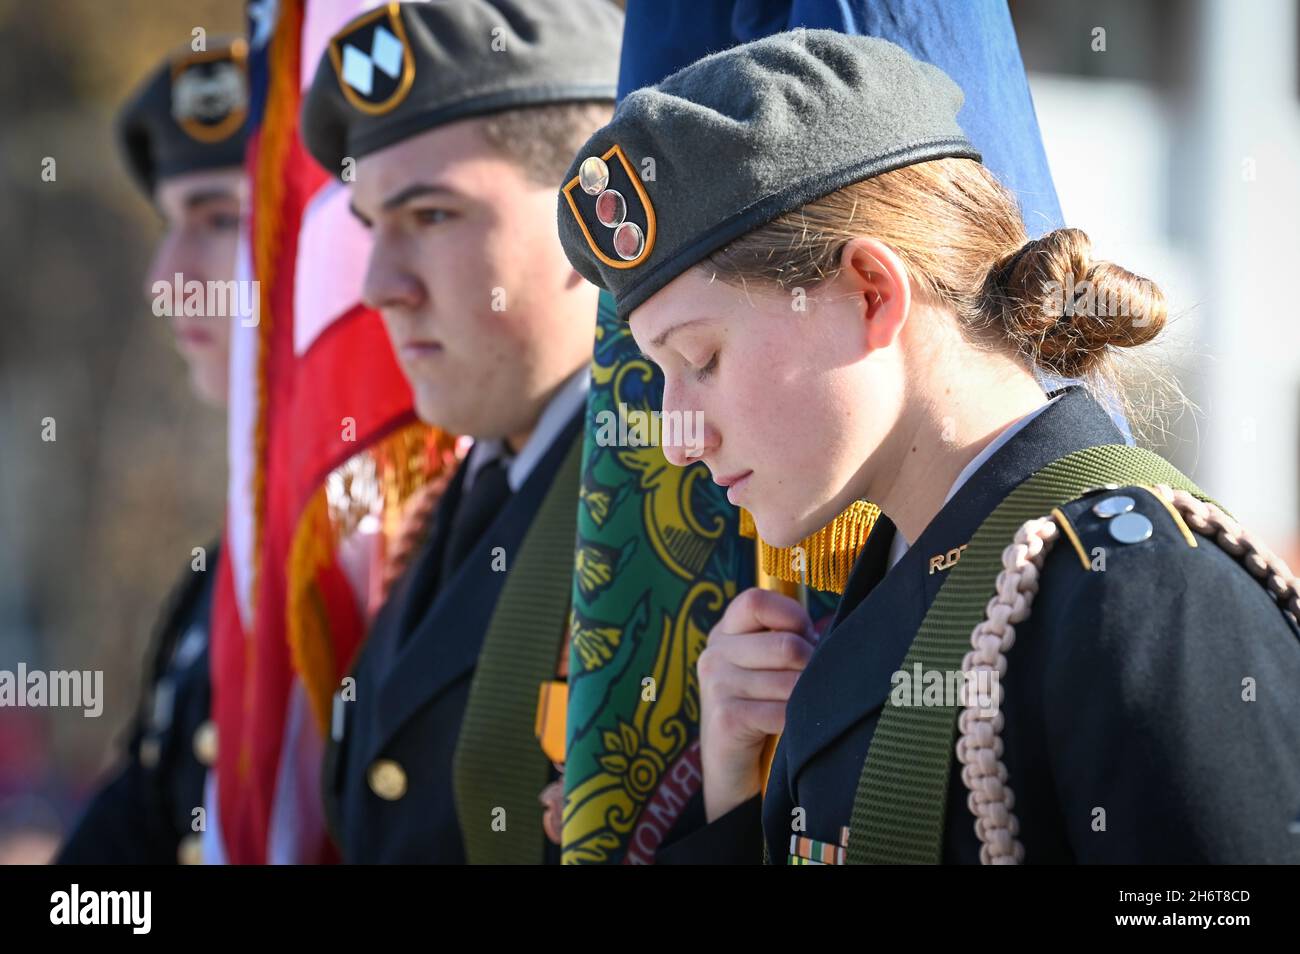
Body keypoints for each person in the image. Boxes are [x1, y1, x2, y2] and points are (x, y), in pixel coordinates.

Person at [557, 29, 1300, 863]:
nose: (678, 441)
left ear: (871, 292)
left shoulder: (1140, 591)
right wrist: (738, 792)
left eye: (701, 359)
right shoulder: (878, 597)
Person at [299, 0, 630, 863]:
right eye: (372, 225)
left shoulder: (687, 511)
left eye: (433, 216)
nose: (378, 285)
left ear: (589, 216)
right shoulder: (465, 488)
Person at [56, 39, 249, 864]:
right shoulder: (231, 568)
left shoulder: (402, 538)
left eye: (221, 219)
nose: (167, 277)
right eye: (171, 224)